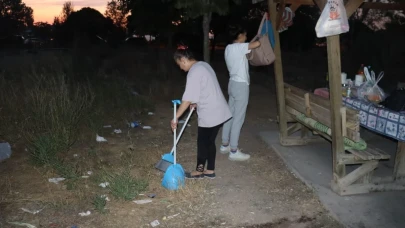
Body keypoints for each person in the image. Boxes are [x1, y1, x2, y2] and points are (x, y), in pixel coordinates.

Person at [171, 48, 232, 179]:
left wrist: (176, 117)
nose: (181, 68)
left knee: (203, 142)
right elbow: (205, 88)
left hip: (210, 112)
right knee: (210, 141)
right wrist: (196, 101)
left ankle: (199, 171)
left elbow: (187, 99)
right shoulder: (204, 65)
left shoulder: (194, 72)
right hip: (219, 109)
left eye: (180, 65)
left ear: (183, 60)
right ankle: (210, 170)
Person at [220, 24, 260, 161]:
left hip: (232, 84)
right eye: (244, 34)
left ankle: (225, 144)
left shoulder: (228, 48)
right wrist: (262, 33)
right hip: (241, 85)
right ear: (239, 36)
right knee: (238, 118)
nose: (246, 37)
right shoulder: (239, 47)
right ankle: (234, 150)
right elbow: (257, 44)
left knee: (230, 115)